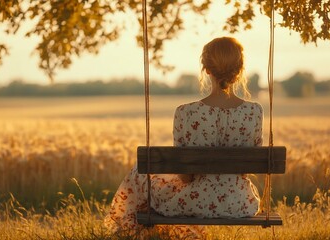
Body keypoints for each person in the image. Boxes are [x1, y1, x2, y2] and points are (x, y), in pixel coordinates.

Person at [104, 37, 262, 238]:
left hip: (196, 201)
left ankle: (129, 232)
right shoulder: (255, 111)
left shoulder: (186, 112)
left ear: (206, 69)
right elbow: (249, 168)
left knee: (139, 173)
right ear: (239, 70)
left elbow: (185, 177)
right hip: (241, 203)